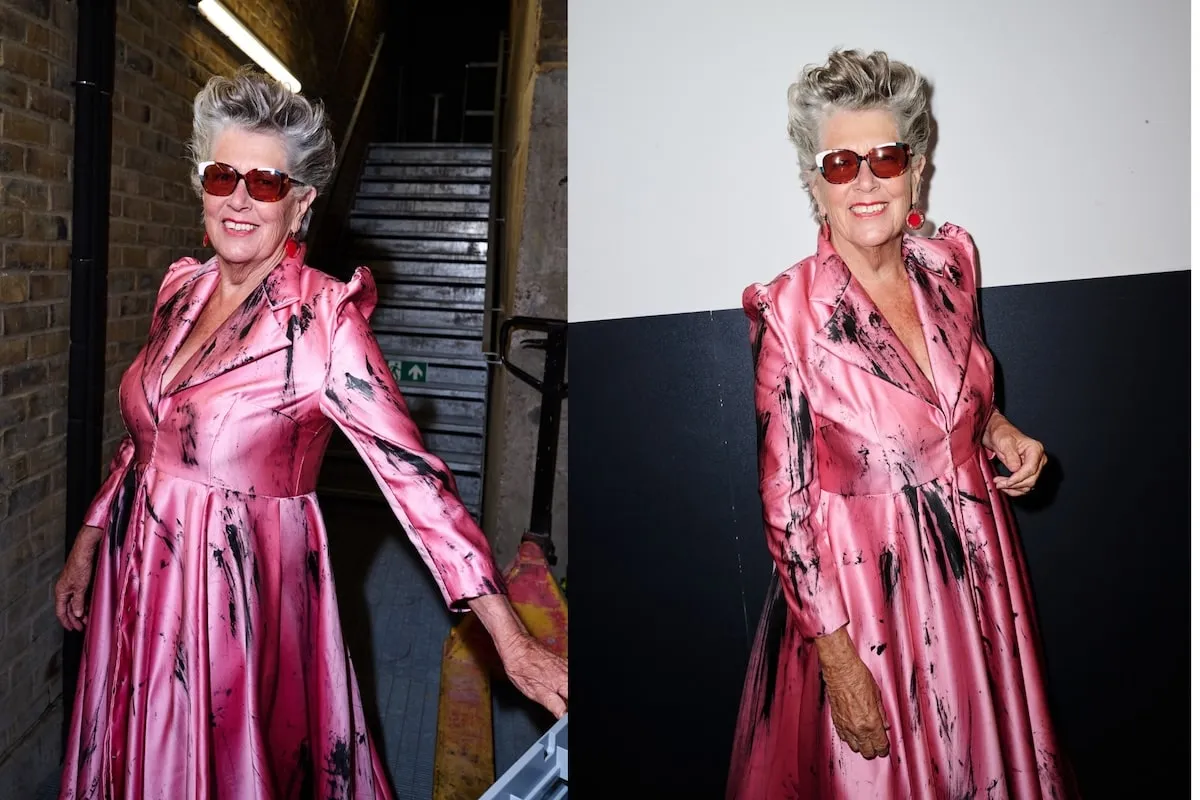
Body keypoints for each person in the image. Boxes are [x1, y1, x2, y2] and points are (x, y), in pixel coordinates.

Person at [53, 67, 567, 799]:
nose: (238, 197)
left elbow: (415, 484)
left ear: (299, 205)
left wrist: (509, 638)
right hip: (137, 575)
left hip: (236, 599)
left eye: (265, 183)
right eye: (223, 174)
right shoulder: (180, 288)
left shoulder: (324, 322)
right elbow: (147, 435)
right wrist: (89, 541)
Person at [725, 50, 1075, 799]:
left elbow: (953, 399)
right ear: (814, 182)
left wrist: (998, 431)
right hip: (867, 600)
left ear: (915, 169)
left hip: (981, 574)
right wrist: (839, 658)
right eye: (840, 162)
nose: (866, 180)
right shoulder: (788, 311)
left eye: (885, 157)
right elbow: (784, 505)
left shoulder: (951, 263)